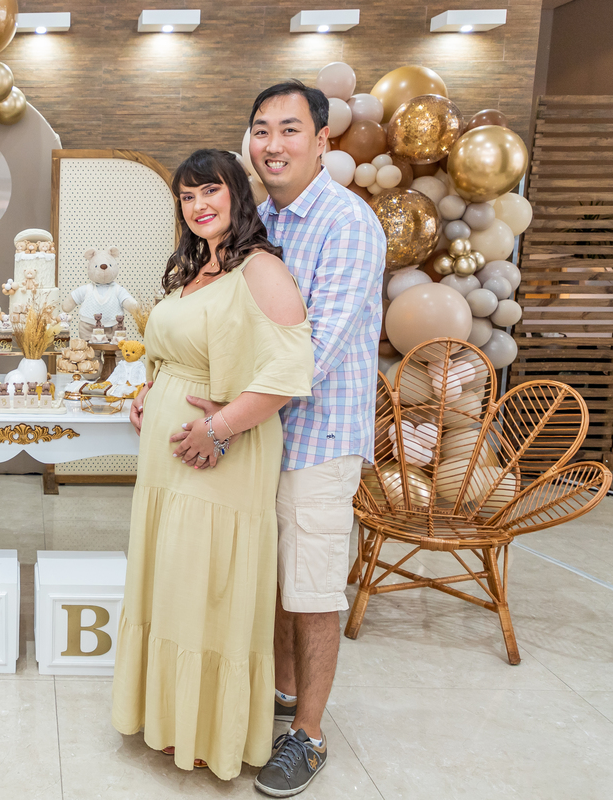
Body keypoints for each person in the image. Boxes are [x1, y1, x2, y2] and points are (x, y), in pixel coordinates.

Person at [112, 149, 314, 780]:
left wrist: (218, 429)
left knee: (208, 580)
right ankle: (170, 718)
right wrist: (151, 389)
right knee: (174, 576)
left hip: (222, 453)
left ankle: (208, 731)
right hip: (169, 456)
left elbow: (288, 373)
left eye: (210, 191)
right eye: (187, 196)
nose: (198, 206)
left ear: (237, 195)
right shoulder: (195, 267)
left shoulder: (262, 269)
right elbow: (177, 350)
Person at [246, 81, 386, 797]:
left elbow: (316, 350)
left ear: (322, 139)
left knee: (312, 588)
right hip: (264, 434)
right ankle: (282, 693)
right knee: (274, 580)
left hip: (318, 439)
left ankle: (310, 735)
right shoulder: (263, 220)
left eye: (290, 129)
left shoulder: (347, 222)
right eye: (261, 129)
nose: (273, 144)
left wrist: (224, 414)